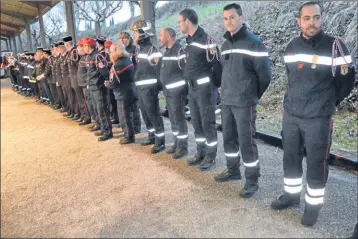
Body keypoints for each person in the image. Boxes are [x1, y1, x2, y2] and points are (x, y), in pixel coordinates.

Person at [270, 1, 356, 227]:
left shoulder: (335, 46)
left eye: (316, 17)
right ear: (299, 21)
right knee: (290, 158)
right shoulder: (291, 46)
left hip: (318, 117)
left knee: (317, 163)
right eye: (307, 18)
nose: (312, 22)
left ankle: (313, 206)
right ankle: (291, 196)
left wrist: (328, 101)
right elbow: (291, 78)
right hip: (292, 115)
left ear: (322, 19)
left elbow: (347, 81)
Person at [214, 3, 271, 198]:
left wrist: (252, 95)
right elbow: (224, 71)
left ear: (242, 18)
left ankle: (252, 180)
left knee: (246, 141)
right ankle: (232, 170)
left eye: (232, 17)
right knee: (228, 137)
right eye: (225, 18)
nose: (228, 21)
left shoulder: (254, 43)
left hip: (244, 102)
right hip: (227, 101)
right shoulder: (225, 45)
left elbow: (265, 76)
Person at [178, 9, 222, 171]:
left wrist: (216, 86)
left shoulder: (206, 40)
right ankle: (201, 152)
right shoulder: (188, 42)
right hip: (192, 90)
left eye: (180, 22)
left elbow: (216, 65)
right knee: (196, 122)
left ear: (188, 21)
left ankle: (211, 155)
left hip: (205, 90)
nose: (179, 25)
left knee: (207, 123)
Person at [129, 20, 165, 154]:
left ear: (143, 34)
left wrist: (155, 89)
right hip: (141, 89)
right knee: (145, 114)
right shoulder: (140, 50)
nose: (134, 36)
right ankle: (152, 136)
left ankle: (160, 142)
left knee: (153, 114)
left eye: (135, 33)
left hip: (149, 90)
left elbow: (158, 71)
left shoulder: (152, 50)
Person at [158, 27, 189, 159]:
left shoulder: (179, 51)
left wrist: (184, 93)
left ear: (168, 36)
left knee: (179, 120)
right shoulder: (167, 52)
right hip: (168, 93)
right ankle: (177, 143)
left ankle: (183, 147)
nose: (159, 38)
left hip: (177, 93)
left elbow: (186, 71)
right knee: (173, 120)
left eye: (161, 35)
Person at [107, 42, 137, 144]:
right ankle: (131, 133)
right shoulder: (126, 59)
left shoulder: (119, 64)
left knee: (124, 116)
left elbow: (114, 81)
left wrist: (107, 84)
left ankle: (128, 136)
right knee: (128, 114)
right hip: (129, 89)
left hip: (122, 93)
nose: (109, 54)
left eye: (111, 51)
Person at [83, 37, 112, 141]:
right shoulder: (88, 57)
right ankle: (102, 127)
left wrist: (102, 83)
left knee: (102, 109)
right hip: (92, 86)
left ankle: (107, 131)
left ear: (88, 46)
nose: (83, 48)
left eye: (84, 46)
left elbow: (104, 72)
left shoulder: (97, 56)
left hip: (98, 87)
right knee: (96, 109)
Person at [119, 31, 141, 134]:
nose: (122, 40)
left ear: (129, 38)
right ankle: (130, 125)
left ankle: (137, 126)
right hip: (126, 81)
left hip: (134, 79)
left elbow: (138, 63)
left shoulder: (134, 48)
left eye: (124, 38)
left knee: (134, 104)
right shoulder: (121, 50)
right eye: (120, 38)